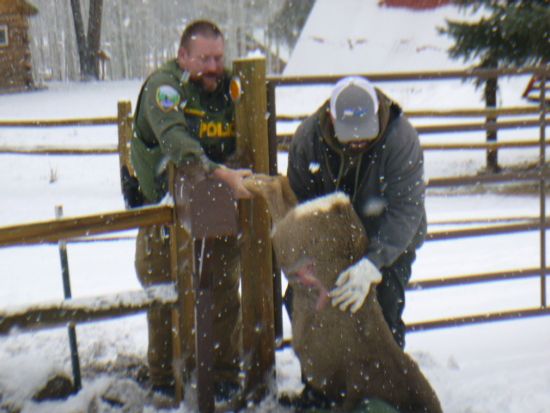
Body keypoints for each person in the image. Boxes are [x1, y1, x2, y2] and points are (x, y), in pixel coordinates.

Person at [130, 20, 251, 402]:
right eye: (204, 59)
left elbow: (251, 125)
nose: (214, 67)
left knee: (223, 290)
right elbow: (175, 140)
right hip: (164, 208)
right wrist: (218, 172)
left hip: (216, 203)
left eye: (218, 58)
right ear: (183, 56)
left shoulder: (229, 88)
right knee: (165, 292)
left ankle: (224, 374)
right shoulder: (165, 88)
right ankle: (166, 379)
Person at [287, 76, 426, 349]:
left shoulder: (400, 138)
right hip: (329, 236)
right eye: (351, 133)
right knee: (304, 303)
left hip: (388, 237)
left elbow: (406, 210)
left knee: (384, 307)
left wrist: (372, 263)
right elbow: (299, 204)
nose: (359, 140)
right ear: (332, 118)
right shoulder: (308, 140)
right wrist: (312, 257)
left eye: (365, 132)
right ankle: (323, 372)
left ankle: (385, 371)